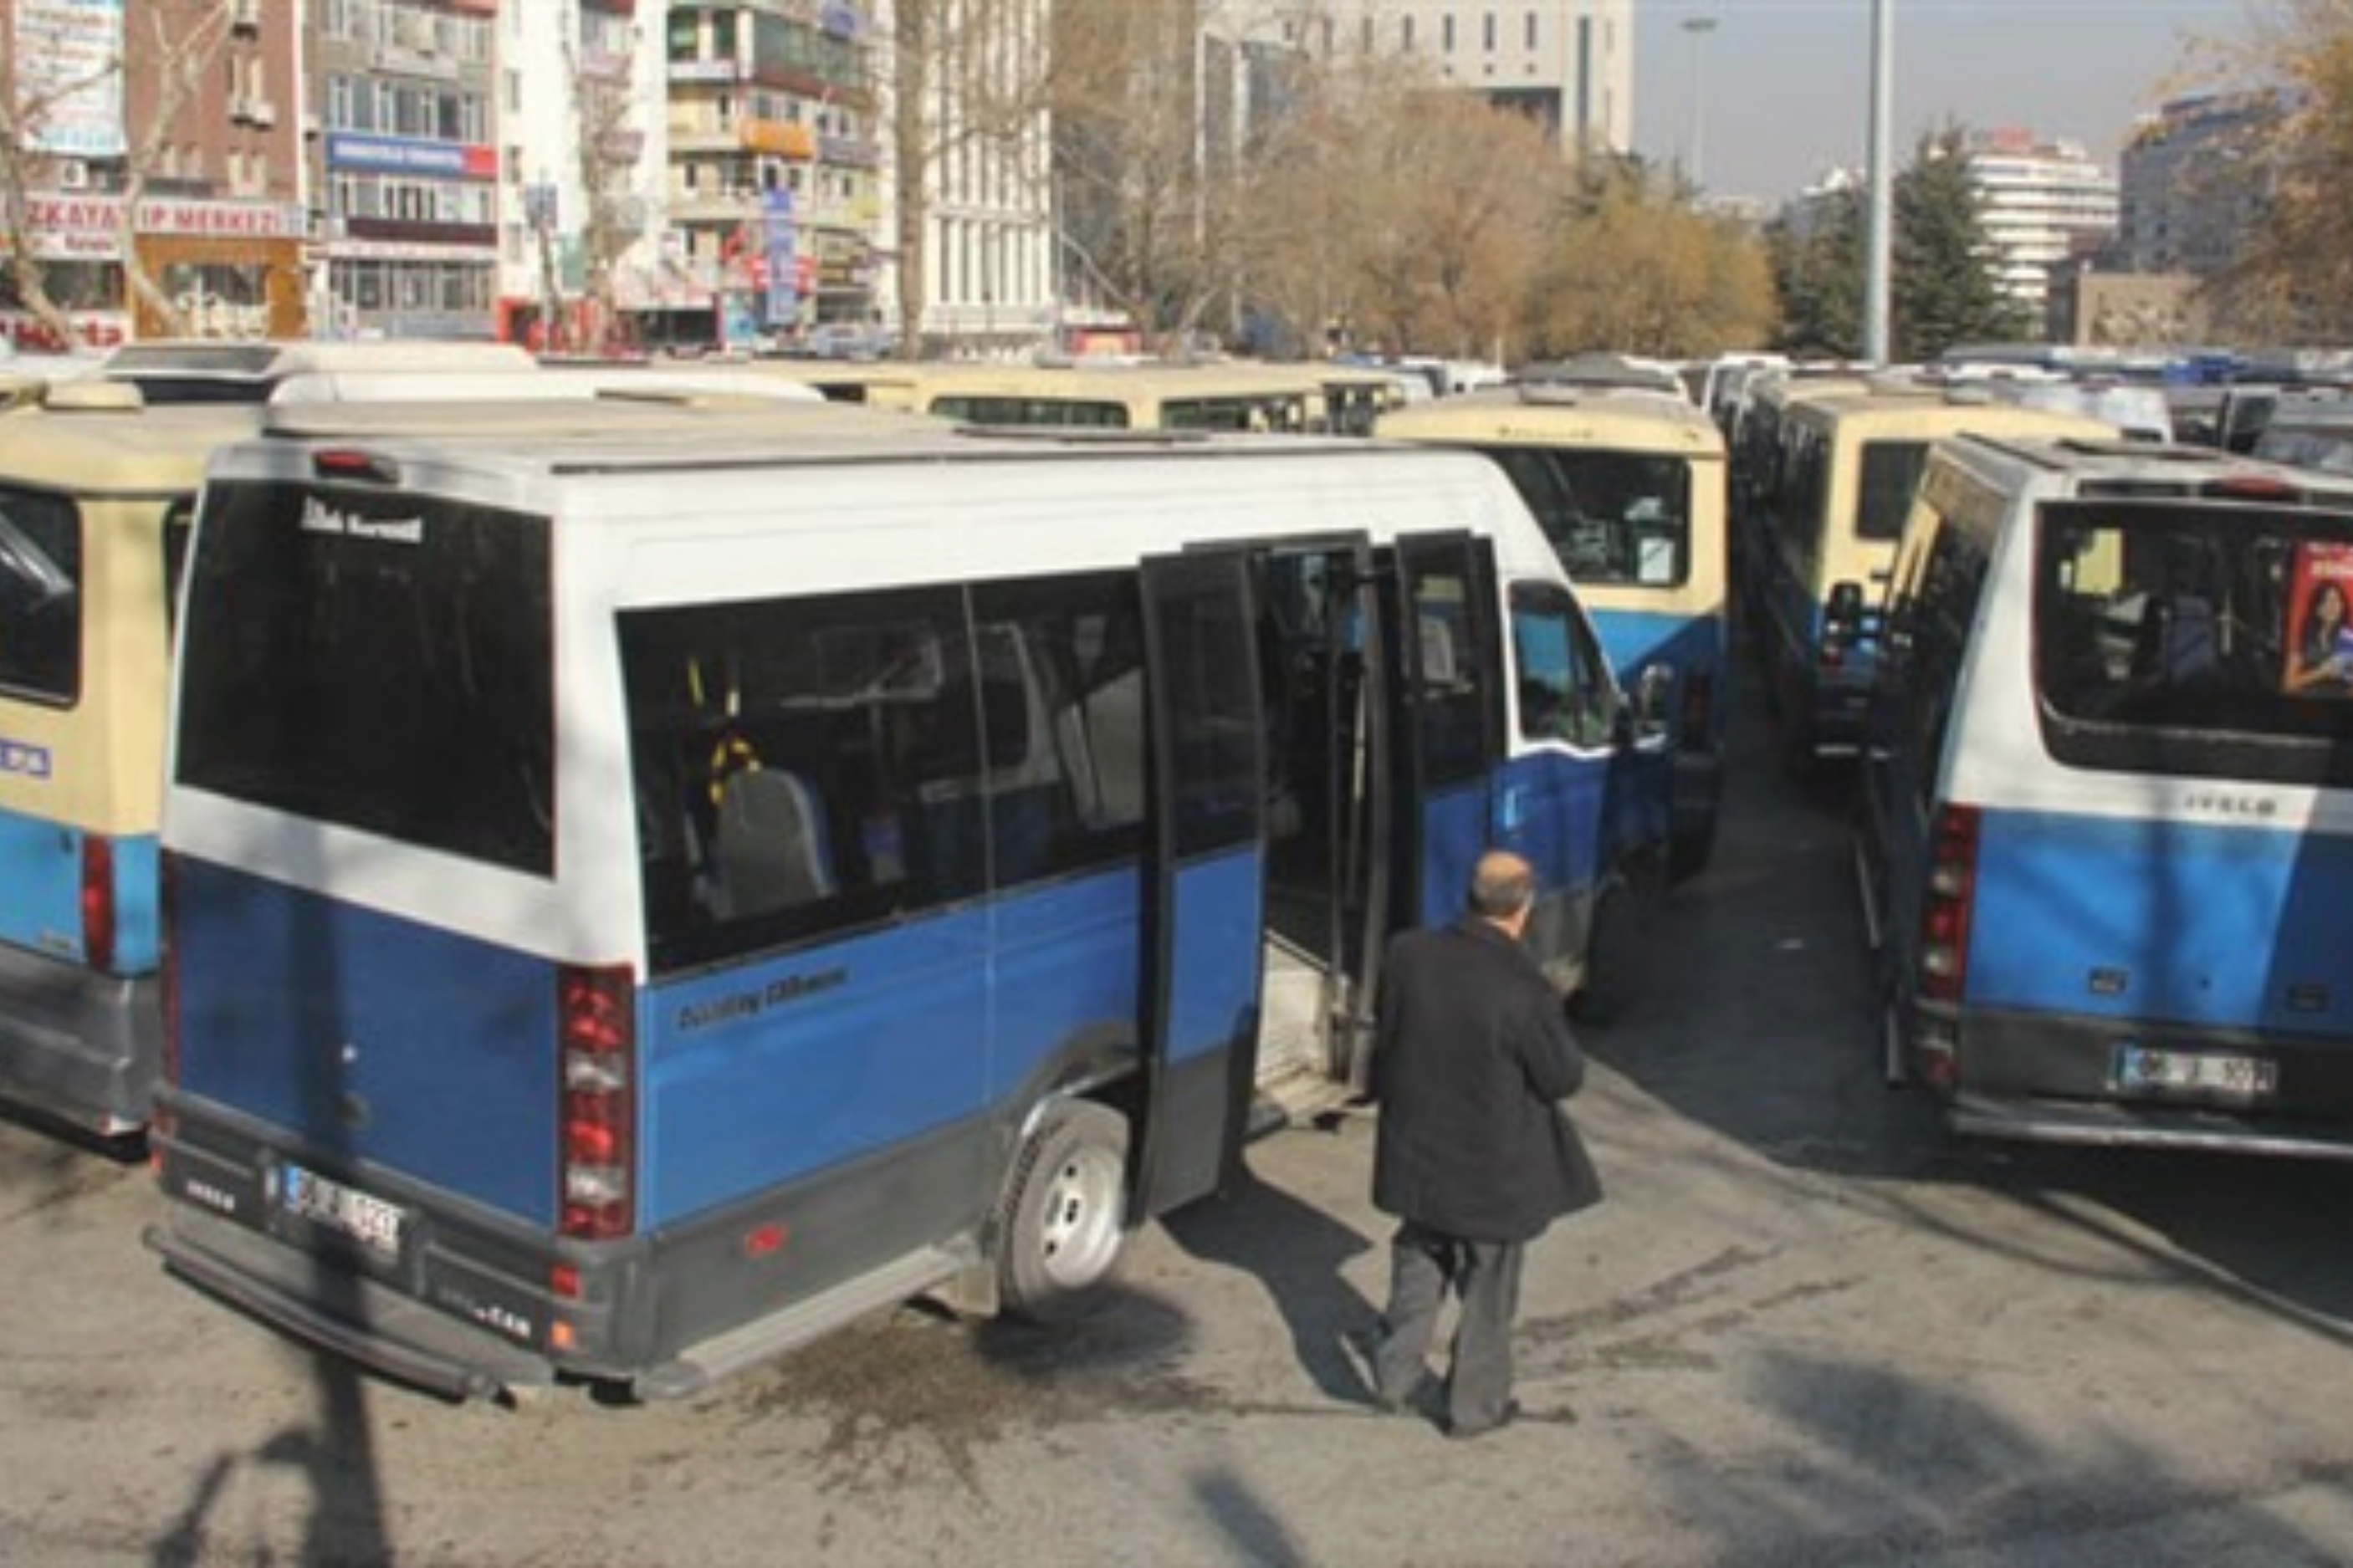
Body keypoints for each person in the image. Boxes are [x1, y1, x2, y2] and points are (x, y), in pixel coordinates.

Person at [1351, 849, 1602, 1438]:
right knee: (1488, 1291)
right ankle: (1475, 1406)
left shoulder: (1408, 953)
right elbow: (1562, 1077)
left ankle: (1397, 1375)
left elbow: (1389, 1032)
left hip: (1417, 1156)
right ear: (1523, 906)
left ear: (1470, 895)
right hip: (1491, 1174)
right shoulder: (1523, 989)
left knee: (1418, 1259)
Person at [2286, 579, 2353, 694]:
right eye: (2327, 601)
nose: (2332, 606)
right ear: (2318, 609)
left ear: (2342, 606)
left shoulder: (2349, 639)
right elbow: (2288, 684)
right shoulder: (2304, 638)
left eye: (2337, 601)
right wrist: (2321, 672)